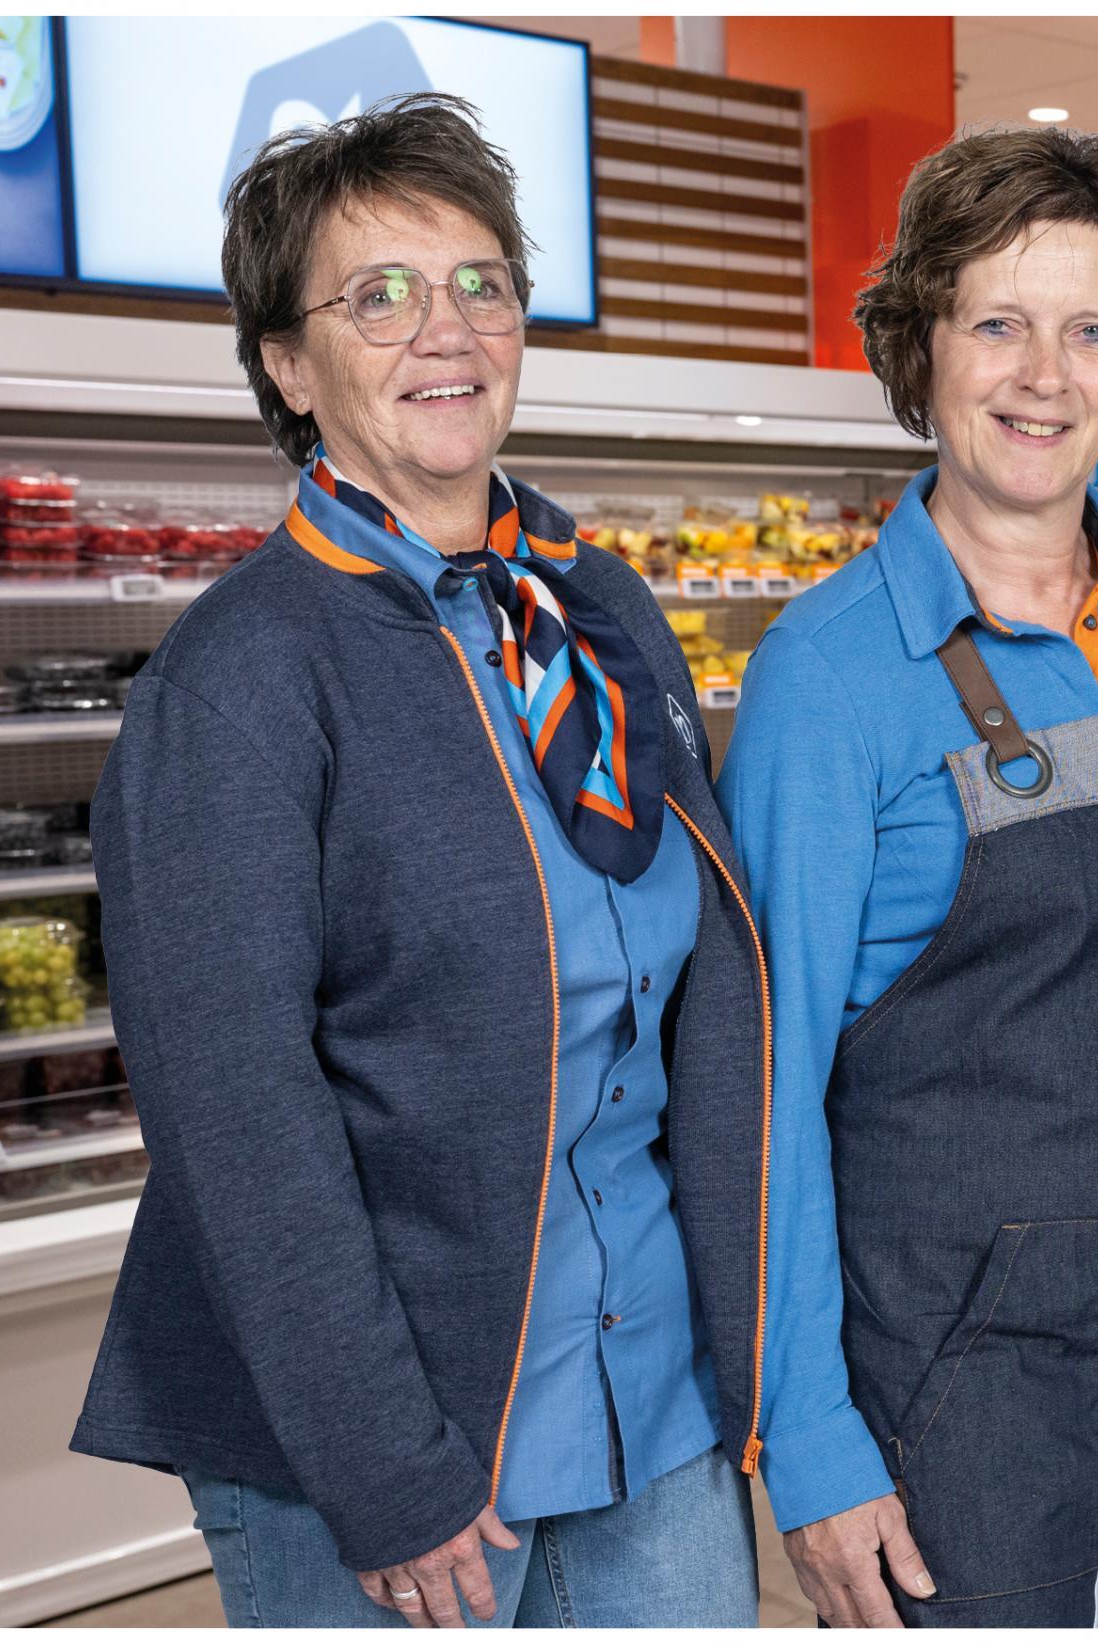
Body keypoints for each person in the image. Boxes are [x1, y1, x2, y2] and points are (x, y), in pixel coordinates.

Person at [72, 95, 770, 1628]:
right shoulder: (244, 680)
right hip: (393, 1441)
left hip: (647, 1399)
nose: (442, 328)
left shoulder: (597, 614)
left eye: (480, 283)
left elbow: (691, 997)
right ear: (283, 362)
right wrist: (385, 1466)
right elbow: (238, 1124)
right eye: (375, 296)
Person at [717, 124, 1098, 1628]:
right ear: (924, 347)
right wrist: (812, 1443)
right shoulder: (827, 679)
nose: (1046, 374)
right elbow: (763, 1096)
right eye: (1000, 325)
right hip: (960, 1380)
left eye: (1090, 330)